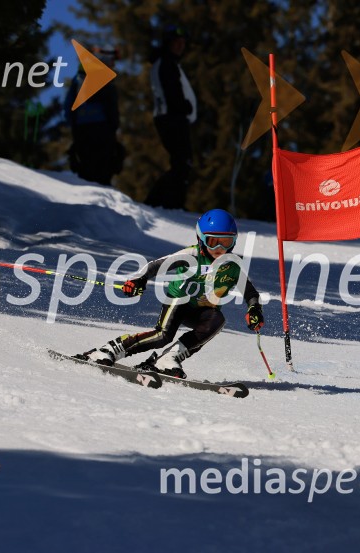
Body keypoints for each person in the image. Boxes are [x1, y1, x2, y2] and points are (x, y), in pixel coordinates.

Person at [77, 209, 264, 379]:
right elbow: (155, 265)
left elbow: (250, 292)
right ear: (201, 238)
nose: (219, 250)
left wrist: (254, 309)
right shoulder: (191, 255)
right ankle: (108, 350)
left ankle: (167, 359)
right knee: (163, 336)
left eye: (226, 242)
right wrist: (138, 279)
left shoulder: (232, 266)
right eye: (213, 242)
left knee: (217, 320)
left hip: (203, 310)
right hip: (179, 300)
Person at [144, 24, 197, 209]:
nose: (180, 46)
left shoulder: (167, 62)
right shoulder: (166, 63)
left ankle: (161, 202)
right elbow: (171, 91)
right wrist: (184, 106)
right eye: (177, 42)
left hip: (169, 116)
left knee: (181, 163)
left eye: (183, 43)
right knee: (182, 162)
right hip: (171, 117)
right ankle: (165, 204)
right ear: (168, 43)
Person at [64, 45, 123, 185]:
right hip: (102, 131)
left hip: (80, 130)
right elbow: (112, 109)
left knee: (86, 171)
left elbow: (68, 106)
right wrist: (113, 127)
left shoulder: (78, 80)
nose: (113, 65)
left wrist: (73, 126)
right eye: (112, 61)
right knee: (102, 172)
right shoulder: (105, 82)